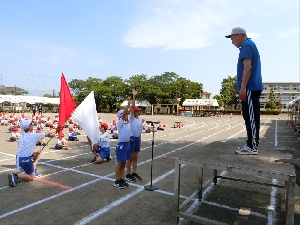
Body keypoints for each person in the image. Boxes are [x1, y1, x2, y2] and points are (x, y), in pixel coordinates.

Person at [225, 27, 262, 155]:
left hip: (250, 88)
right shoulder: (249, 45)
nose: (232, 41)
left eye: (232, 38)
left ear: (239, 35)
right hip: (251, 87)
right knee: (249, 116)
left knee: (251, 117)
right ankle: (250, 143)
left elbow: (247, 68)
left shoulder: (246, 45)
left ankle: (252, 146)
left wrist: (243, 87)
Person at [8, 120, 62, 187]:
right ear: (28, 127)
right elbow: (47, 132)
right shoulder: (33, 135)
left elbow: (23, 150)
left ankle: (31, 171)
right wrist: (57, 129)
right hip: (25, 160)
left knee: (36, 156)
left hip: (18, 159)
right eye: (31, 124)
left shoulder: (21, 137)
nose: (32, 125)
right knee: (31, 178)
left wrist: (35, 153)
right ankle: (15, 176)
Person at [114, 100, 132, 189]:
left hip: (126, 145)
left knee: (124, 163)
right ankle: (117, 180)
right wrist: (128, 105)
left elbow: (128, 137)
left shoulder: (127, 125)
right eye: (125, 114)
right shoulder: (119, 123)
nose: (126, 116)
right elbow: (124, 113)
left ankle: (121, 178)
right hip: (121, 145)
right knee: (120, 163)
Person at [126, 89, 143, 182]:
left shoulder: (140, 120)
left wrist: (140, 139)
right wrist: (134, 96)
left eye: (139, 111)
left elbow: (139, 131)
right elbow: (132, 107)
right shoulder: (131, 118)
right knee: (130, 158)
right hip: (131, 138)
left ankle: (134, 172)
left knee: (135, 158)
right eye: (137, 111)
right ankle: (128, 174)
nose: (139, 112)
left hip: (137, 139)